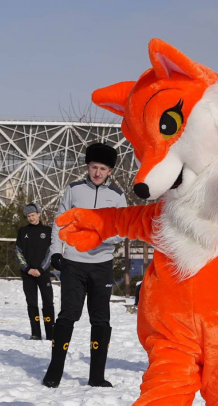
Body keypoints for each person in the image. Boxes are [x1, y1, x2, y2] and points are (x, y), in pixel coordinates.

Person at [42, 142, 128, 388]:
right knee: (68, 314)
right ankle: (54, 371)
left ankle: (96, 376)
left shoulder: (117, 196)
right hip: (74, 263)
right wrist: (56, 252)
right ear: (87, 167)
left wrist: (97, 235)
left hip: (102, 264)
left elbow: (122, 229)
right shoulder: (74, 190)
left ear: (110, 171)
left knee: (100, 318)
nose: (97, 172)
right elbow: (59, 222)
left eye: (102, 168)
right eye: (93, 167)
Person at [15, 202, 55, 340]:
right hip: (28, 275)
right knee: (32, 303)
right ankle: (35, 333)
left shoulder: (48, 231)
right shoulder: (22, 231)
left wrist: (41, 269)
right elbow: (18, 252)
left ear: (39, 214)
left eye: (33, 215)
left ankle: (51, 333)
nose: (31, 218)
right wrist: (27, 269)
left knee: (48, 302)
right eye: (28, 216)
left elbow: (51, 252)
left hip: (43, 274)